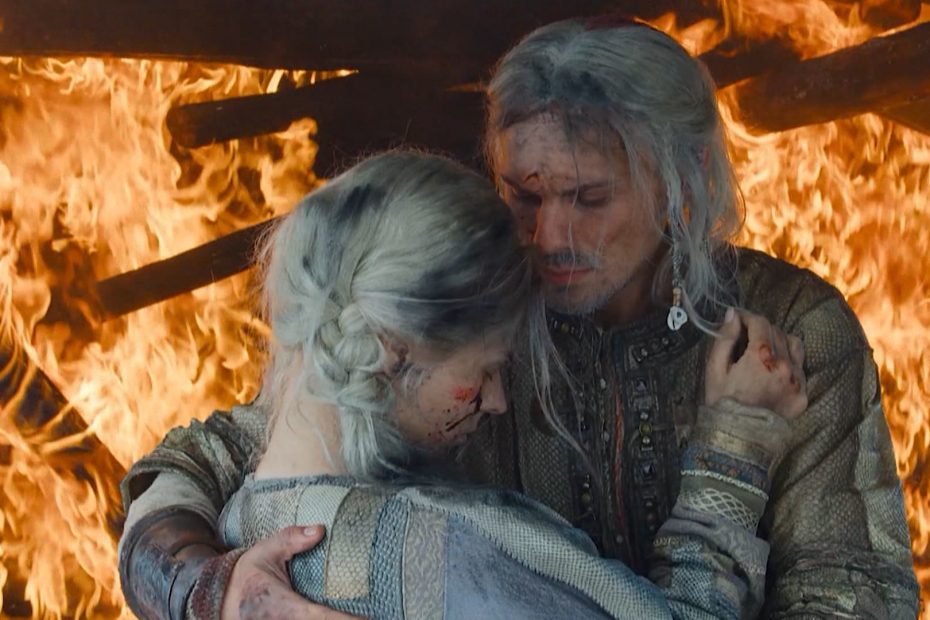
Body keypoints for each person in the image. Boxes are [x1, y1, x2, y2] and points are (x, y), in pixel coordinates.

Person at [117, 17, 919, 619]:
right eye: (524, 194)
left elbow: (854, 594)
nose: (550, 236)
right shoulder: (471, 315)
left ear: (684, 179)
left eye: (590, 197)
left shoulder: (793, 328)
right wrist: (207, 588)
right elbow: (204, 460)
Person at [123, 149, 806, 619]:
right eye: (485, 369)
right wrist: (737, 443)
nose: (499, 400)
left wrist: (197, 586)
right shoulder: (456, 550)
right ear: (388, 350)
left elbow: (206, 451)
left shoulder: (242, 519)